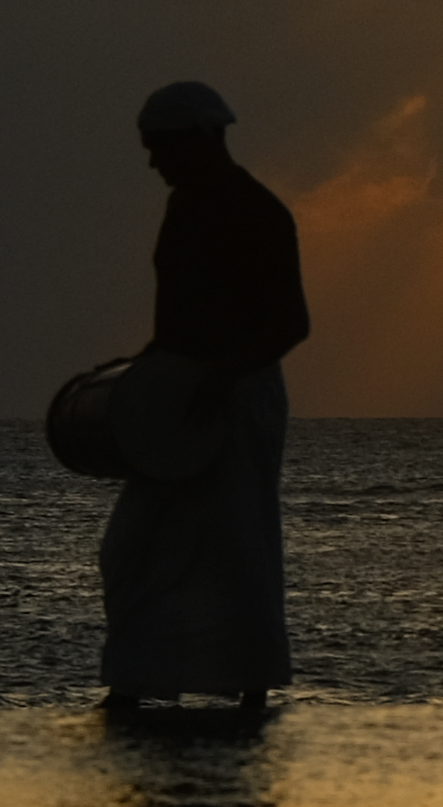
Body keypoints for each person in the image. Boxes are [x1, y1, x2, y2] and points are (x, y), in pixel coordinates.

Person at [101, 80, 307, 711]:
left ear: (198, 140)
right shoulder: (184, 206)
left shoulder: (258, 211)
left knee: (239, 543)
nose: (152, 162)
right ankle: (138, 679)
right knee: (137, 544)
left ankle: (248, 686)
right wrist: (151, 366)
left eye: (159, 148)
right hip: (183, 398)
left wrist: (221, 376)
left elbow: (291, 322)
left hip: (238, 399)